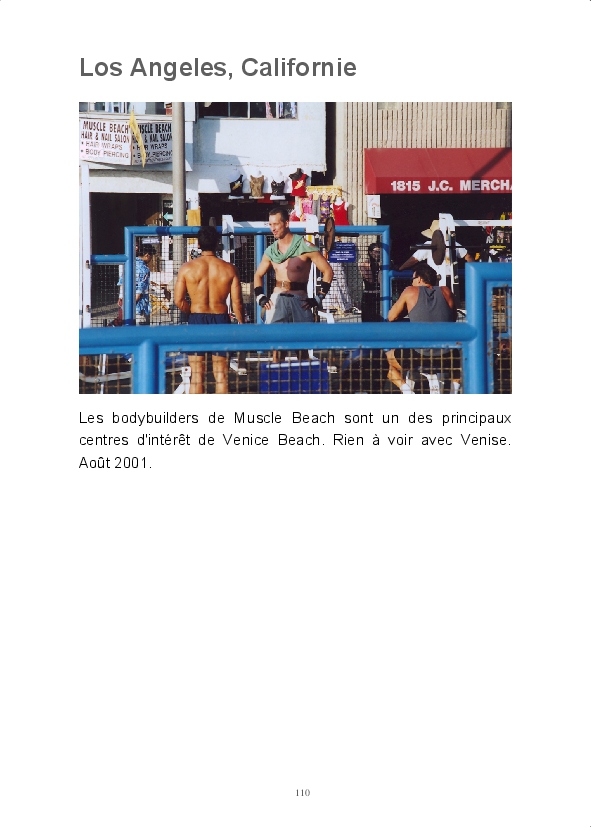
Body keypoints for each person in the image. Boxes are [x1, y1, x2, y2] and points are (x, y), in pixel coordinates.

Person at [253, 207, 334, 359]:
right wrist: (260, 297)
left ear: (286, 223)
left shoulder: (305, 247)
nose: (273, 228)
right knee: (277, 351)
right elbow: (258, 275)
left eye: (276, 224)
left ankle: (303, 375)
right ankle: (277, 375)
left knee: (302, 349)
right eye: (270, 225)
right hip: (277, 301)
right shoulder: (271, 251)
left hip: (300, 301)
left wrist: (318, 298)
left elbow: (328, 271)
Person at [174, 226, 244, 394]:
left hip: (197, 319)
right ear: (217, 243)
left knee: (197, 374)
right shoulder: (229, 269)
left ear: (198, 244)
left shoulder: (187, 268)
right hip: (220, 319)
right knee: (221, 375)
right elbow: (237, 303)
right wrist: (242, 324)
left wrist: (191, 312)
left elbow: (178, 300)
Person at [386, 262, 459, 394]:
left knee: (384, 360)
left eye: (413, 278)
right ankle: (454, 392)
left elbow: (391, 317)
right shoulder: (446, 291)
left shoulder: (410, 291)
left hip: (418, 354)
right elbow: (453, 318)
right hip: (446, 354)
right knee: (461, 362)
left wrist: (408, 310)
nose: (412, 281)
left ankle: (407, 392)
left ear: (419, 279)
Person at [399, 219, 473, 279]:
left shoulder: (429, 244)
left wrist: (400, 268)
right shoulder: (454, 243)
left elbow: (414, 259)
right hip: (452, 278)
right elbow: (468, 256)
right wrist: (474, 271)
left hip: (435, 278)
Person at [117, 244, 155, 325]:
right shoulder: (144, 269)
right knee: (141, 330)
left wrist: (121, 298)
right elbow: (139, 290)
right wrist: (132, 304)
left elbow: (122, 282)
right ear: (147, 255)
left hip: (125, 304)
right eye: (151, 256)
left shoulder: (128, 265)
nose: (151, 259)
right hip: (139, 307)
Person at [359, 242, 383, 321]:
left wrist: (380, 268)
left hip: (380, 295)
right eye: (376, 251)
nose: (378, 254)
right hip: (368, 295)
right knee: (367, 319)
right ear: (370, 252)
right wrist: (369, 266)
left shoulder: (383, 264)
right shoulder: (364, 264)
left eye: (379, 252)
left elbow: (380, 281)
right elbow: (370, 280)